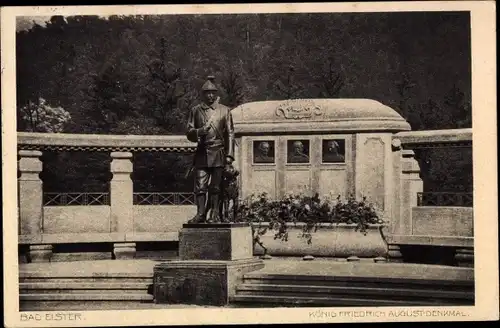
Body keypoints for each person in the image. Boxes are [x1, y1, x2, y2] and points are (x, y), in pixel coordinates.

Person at [186, 75, 235, 223]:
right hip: (202, 152)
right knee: (200, 186)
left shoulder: (224, 111)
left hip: (219, 152)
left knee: (216, 187)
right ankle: (200, 214)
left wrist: (230, 155)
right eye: (207, 93)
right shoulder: (195, 111)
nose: (210, 95)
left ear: (216, 93)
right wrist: (199, 131)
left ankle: (214, 213)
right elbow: (189, 131)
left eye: (213, 92)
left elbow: (230, 134)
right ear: (203, 94)